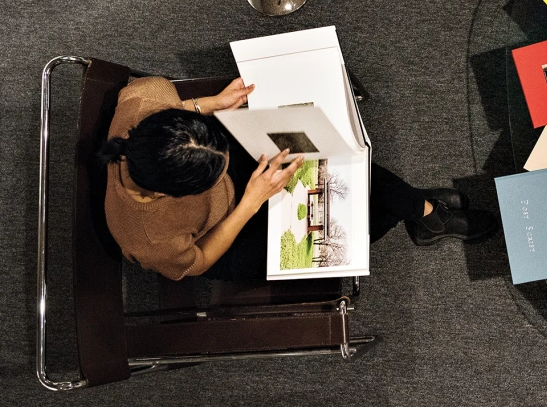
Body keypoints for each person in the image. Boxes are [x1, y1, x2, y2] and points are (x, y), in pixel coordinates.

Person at [98, 76, 489, 281]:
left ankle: (420, 210)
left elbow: (174, 105)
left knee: (328, 156)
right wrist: (251, 201)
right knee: (340, 232)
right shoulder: (149, 238)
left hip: (228, 183)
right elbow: (197, 261)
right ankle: (420, 211)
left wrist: (208, 105)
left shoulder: (145, 99)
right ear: (171, 193)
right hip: (221, 235)